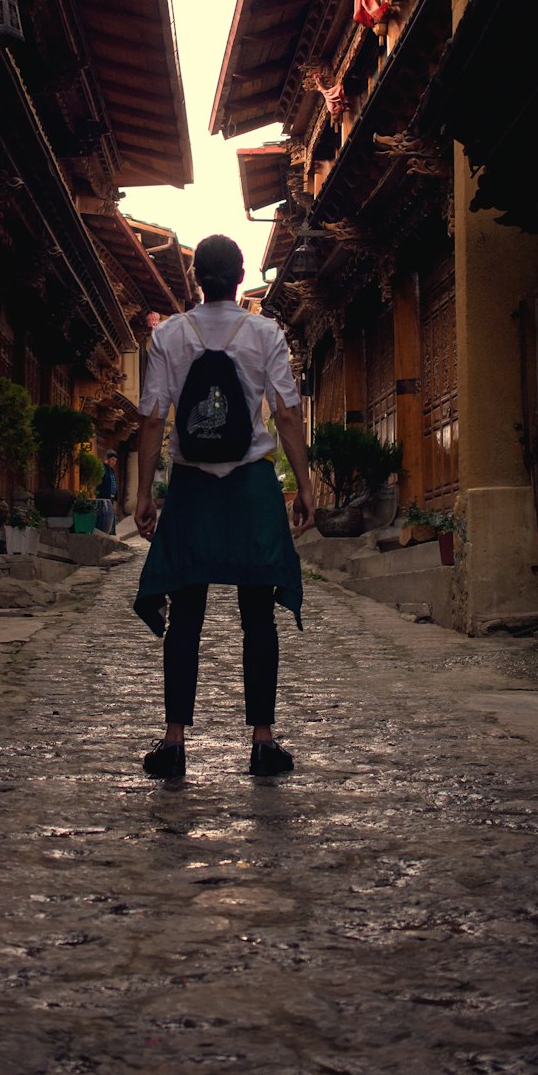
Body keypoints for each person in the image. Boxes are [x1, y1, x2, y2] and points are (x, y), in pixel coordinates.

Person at [132, 233, 315, 779]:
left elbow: (152, 418)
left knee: (186, 613)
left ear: (195, 281)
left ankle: (174, 741)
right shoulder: (265, 333)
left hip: (191, 487)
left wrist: (144, 492)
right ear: (239, 278)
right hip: (251, 486)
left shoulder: (168, 335)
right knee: (257, 614)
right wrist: (304, 484)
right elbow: (285, 413)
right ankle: (263, 740)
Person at [95, 450, 117, 535]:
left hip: (111, 497)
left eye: (115, 460)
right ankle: (107, 534)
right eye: (112, 460)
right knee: (106, 517)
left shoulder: (112, 470)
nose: (113, 462)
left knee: (111, 516)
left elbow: (113, 483)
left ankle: (111, 534)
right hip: (104, 497)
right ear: (107, 459)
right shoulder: (103, 469)